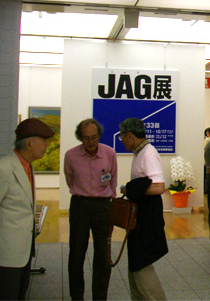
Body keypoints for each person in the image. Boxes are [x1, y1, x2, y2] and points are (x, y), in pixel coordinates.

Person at [0, 118, 54, 301]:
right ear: (29, 143)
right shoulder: (4, 169)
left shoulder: (27, 167)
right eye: (43, 140)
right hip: (7, 256)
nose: (47, 145)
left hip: (23, 253)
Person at [64, 119, 117, 301]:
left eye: (94, 137)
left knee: (102, 254)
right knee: (77, 252)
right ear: (80, 138)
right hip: (80, 205)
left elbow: (113, 178)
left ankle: (100, 296)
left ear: (99, 136)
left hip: (103, 206)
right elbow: (70, 180)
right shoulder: (71, 156)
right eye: (86, 138)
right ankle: (77, 295)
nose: (90, 141)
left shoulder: (109, 153)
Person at [119, 118, 168, 301]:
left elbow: (159, 187)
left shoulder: (148, 153)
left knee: (141, 264)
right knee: (135, 264)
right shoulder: (140, 152)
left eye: (122, 137)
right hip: (140, 216)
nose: (122, 141)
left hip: (146, 218)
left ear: (130, 136)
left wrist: (129, 189)